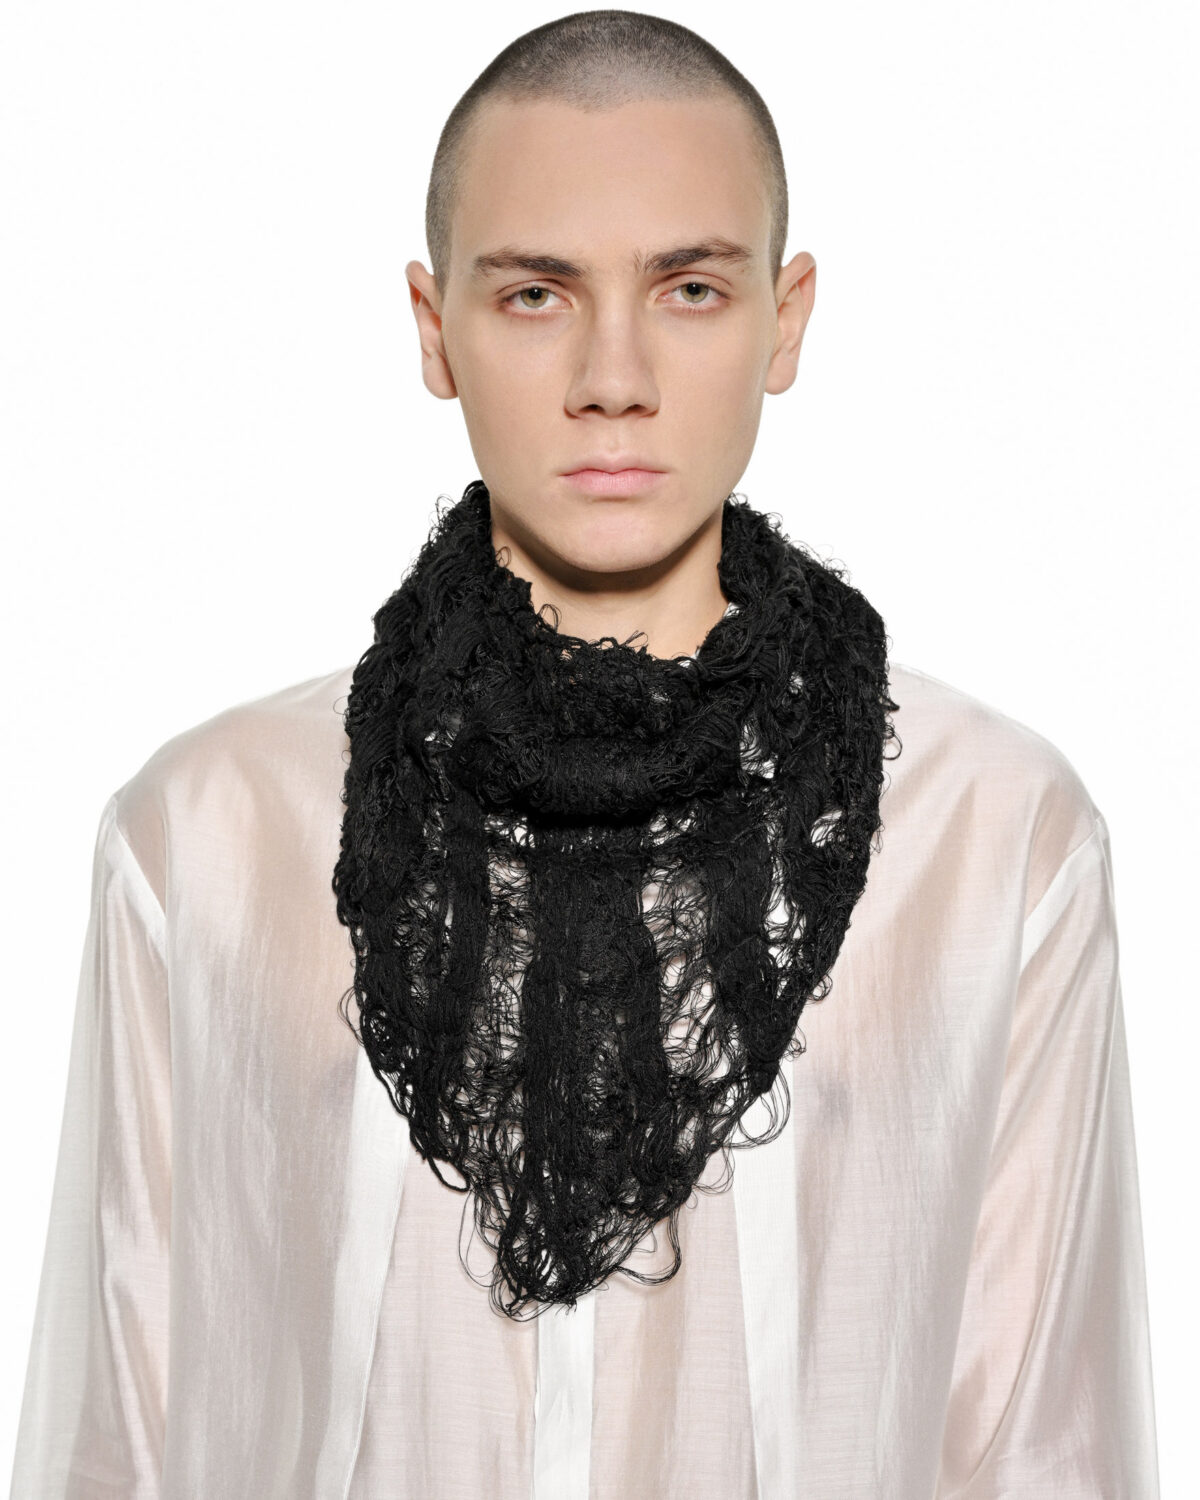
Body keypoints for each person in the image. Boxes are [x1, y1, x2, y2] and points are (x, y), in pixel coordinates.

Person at [8, 10, 1160, 1499]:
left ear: (785, 320)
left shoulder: (994, 833)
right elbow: (120, 1422)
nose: (614, 377)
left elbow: (1051, 1440)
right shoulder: (208, 831)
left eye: (689, 289)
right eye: (537, 294)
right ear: (436, 328)